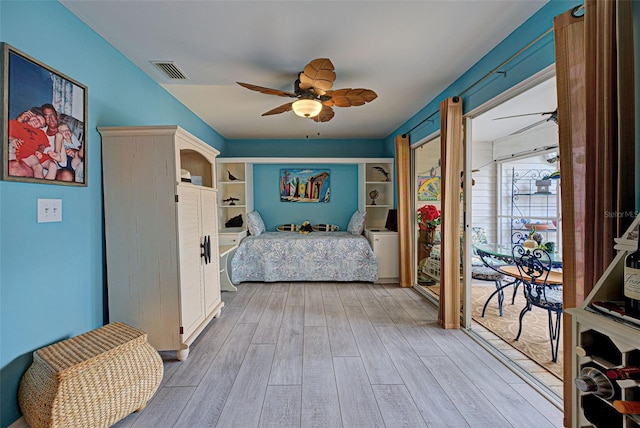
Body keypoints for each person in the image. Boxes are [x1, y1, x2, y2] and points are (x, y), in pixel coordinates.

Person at [8, 107, 61, 179]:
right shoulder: (17, 124)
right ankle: (40, 187)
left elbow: (42, 145)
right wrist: (12, 138)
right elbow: (5, 130)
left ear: (40, 127)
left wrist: (40, 151)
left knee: (53, 166)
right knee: (38, 167)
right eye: (37, 118)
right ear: (31, 115)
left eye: (40, 123)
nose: (37, 121)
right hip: (26, 153)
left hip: (37, 153)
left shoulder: (40, 132)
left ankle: (47, 186)